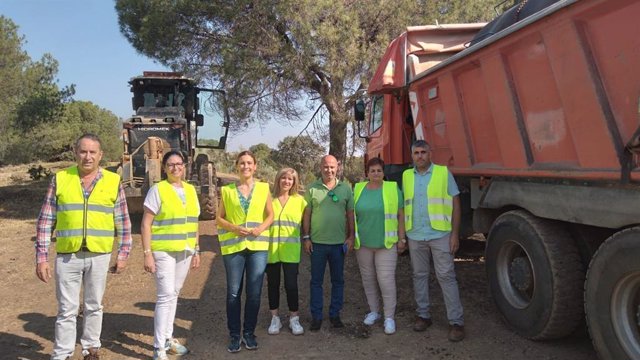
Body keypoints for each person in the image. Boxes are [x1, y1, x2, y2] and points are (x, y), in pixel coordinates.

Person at [35, 133, 132, 360]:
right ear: (75, 153)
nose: (87, 157)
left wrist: (124, 253)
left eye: (92, 152)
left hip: (99, 255)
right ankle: (62, 354)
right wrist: (41, 257)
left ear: (101, 155)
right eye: (83, 151)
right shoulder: (60, 179)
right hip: (68, 256)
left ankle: (91, 350)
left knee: (94, 305)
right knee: (66, 310)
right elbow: (46, 221)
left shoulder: (112, 181)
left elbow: (123, 221)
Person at [140, 151, 201, 360]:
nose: (176, 168)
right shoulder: (158, 190)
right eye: (171, 165)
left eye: (179, 164)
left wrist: (197, 249)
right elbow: (146, 223)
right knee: (165, 296)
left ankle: (168, 339)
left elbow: (194, 223)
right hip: (163, 250)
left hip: (185, 250)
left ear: (184, 166)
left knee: (174, 293)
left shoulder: (191, 190)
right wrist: (147, 253)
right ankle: (159, 348)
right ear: (165, 168)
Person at [403, 140, 465, 342]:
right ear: (412, 156)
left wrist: (455, 234)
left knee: (446, 276)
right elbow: (404, 206)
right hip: (415, 235)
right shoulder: (406, 176)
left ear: (430, 154)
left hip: (440, 234)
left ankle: (456, 322)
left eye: (423, 152)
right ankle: (423, 315)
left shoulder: (442, 173)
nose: (419, 156)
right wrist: (403, 235)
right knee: (419, 275)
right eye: (416, 153)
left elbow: (456, 204)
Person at [216, 151, 274, 352]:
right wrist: (233, 228)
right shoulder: (227, 191)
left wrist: (261, 228)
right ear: (237, 166)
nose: (246, 166)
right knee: (233, 293)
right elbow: (219, 218)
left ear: (255, 166)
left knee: (255, 294)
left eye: (249, 163)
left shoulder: (264, 188)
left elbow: (270, 215)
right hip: (234, 247)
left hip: (257, 246)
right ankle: (234, 335)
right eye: (242, 163)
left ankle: (248, 333)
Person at [302, 155, 355, 331]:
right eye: (326, 167)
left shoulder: (346, 189)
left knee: (338, 281)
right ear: (320, 167)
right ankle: (316, 316)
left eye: (332, 167)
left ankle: (335, 314)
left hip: (338, 244)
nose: (329, 170)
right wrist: (306, 237)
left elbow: (350, 215)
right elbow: (307, 215)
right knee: (316, 281)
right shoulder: (311, 188)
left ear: (337, 168)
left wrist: (351, 237)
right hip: (317, 244)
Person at [353, 158, 405, 335]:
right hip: (363, 244)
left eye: (379, 171)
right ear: (367, 173)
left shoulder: (392, 188)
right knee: (368, 279)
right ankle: (374, 311)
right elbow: (351, 214)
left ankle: (389, 317)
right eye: (372, 171)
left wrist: (402, 239)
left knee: (385, 279)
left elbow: (400, 214)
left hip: (386, 244)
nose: (376, 174)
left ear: (384, 173)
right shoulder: (358, 189)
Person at [266, 168, 307, 336]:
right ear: (278, 180)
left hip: (291, 251)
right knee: (273, 285)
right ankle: (274, 318)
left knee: (291, 285)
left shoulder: (300, 201)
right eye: (283, 178)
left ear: (294, 182)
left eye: (290, 179)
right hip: (272, 250)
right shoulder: (269, 199)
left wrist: (307, 239)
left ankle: (293, 319)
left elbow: (306, 225)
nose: (286, 181)